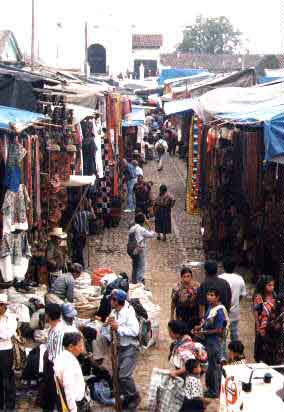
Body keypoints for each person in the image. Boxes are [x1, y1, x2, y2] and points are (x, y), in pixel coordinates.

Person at [92, 289, 141, 410]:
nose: (109, 301)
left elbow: (135, 331)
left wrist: (118, 328)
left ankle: (134, 397)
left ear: (117, 301)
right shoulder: (114, 311)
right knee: (117, 376)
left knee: (124, 375)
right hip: (120, 347)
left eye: (112, 299)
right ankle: (125, 397)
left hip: (130, 347)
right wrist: (106, 326)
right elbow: (108, 333)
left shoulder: (129, 312)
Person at [193, 288, 229, 399]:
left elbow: (219, 330)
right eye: (208, 294)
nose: (209, 297)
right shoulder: (210, 307)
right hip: (208, 340)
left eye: (212, 295)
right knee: (209, 365)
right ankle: (211, 388)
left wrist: (203, 332)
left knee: (214, 366)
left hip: (215, 342)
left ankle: (215, 390)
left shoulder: (219, 311)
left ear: (217, 297)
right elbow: (206, 320)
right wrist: (200, 327)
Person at [54, 332, 88, 412]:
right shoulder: (68, 363)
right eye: (80, 346)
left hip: (67, 400)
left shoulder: (62, 356)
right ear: (71, 347)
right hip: (74, 404)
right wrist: (73, 409)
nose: (82, 349)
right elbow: (68, 387)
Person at [41, 303, 65, 412]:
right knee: (49, 395)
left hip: (55, 368)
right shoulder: (52, 328)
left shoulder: (59, 331)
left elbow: (58, 356)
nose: (44, 316)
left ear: (49, 315)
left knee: (56, 396)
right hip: (50, 365)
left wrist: (57, 375)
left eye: (46, 314)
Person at [218, 258, 246, 342]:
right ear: (235, 267)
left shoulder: (220, 278)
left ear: (223, 266)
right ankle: (236, 351)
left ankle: (222, 354)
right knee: (234, 332)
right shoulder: (239, 279)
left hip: (221, 311)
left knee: (222, 335)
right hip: (234, 311)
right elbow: (242, 295)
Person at [0, 293, 17, 412]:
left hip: (6, 350)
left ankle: (10, 404)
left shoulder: (10, 317)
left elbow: (8, 334)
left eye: (1, 305)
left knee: (8, 378)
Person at [254, 275, 276, 365]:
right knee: (262, 348)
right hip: (262, 327)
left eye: (273, 285)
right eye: (269, 285)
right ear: (264, 286)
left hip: (273, 326)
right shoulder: (259, 297)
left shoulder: (275, 296)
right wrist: (259, 328)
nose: (272, 287)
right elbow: (256, 314)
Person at [128, 212, 155, 284]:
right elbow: (151, 234)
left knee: (135, 265)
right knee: (141, 265)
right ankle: (139, 281)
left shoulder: (132, 228)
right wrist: (149, 225)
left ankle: (134, 280)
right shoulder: (141, 229)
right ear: (143, 221)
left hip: (131, 249)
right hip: (138, 249)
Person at [171, 267, 200, 333]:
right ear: (181, 277)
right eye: (184, 276)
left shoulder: (197, 286)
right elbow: (173, 303)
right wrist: (172, 316)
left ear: (191, 277)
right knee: (181, 333)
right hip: (181, 315)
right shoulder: (177, 288)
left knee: (194, 334)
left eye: (188, 276)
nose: (186, 279)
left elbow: (201, 302)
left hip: (194, 315)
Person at [72, 199, 96, 267]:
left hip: (79, 235)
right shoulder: (85, 213)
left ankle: (80, 263)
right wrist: (91, 207)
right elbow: (94, 216)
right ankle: (81, 264)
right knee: (80, 249)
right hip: (83, 235)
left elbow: (74, 226)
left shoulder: (76, 215)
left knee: (79, 249)